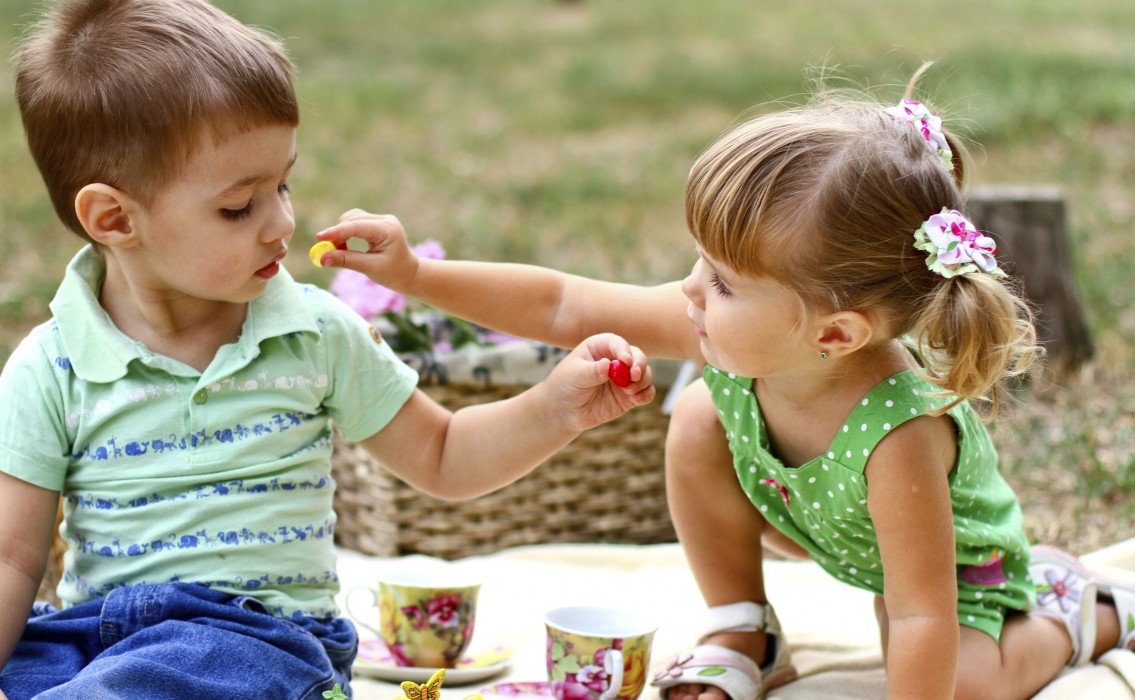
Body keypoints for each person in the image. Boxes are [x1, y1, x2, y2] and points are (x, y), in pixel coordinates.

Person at [314, 66, 1135, 699]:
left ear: (835, 334)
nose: (689, 290)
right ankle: (742, 627)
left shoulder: (899, 435)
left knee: (959, 680)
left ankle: (1082, 611)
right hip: (826, 528)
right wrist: (417, 277)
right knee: (699, 415)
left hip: (954, 579)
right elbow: (563, 302)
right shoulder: (733, 333)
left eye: (721, 280)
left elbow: (923, 612)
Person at [0, 1, 656, 698]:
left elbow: (443, 454)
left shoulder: (313, 334)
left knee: (160, 672)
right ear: (113, 218)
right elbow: (12, 558)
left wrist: (555, 408)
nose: (282, 222)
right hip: (97, 638)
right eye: (239, 206)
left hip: (263, 641)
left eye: (282, 184)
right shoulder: (51, 367)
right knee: (37, 664)